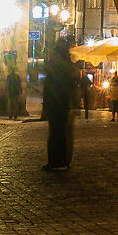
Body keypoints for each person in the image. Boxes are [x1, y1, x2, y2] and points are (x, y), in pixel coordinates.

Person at [42, 36, 75, 170]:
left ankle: (57, 161)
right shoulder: (67, 66)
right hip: (61, 103)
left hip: (57, 103)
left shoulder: (57, 66)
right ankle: (61, 160)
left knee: (57, 133)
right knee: (60, 132)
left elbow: (51, 86)